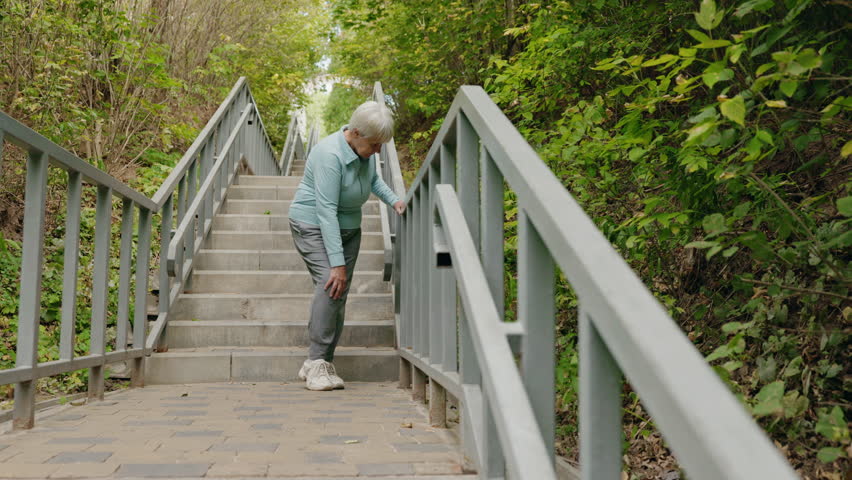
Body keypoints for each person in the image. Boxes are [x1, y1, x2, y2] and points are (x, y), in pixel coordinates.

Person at [288, 101, 406, 391]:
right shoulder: (329, 154)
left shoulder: (364, 152)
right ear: (355, 132)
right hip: (313, 225)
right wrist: (337, 264)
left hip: (349, 229)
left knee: (338, 294)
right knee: (331, 285)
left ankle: (319, 363)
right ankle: (317, 363)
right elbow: (326, 210)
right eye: (375, 144)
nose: (378, 151)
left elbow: (374, 181)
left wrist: (395, 201)